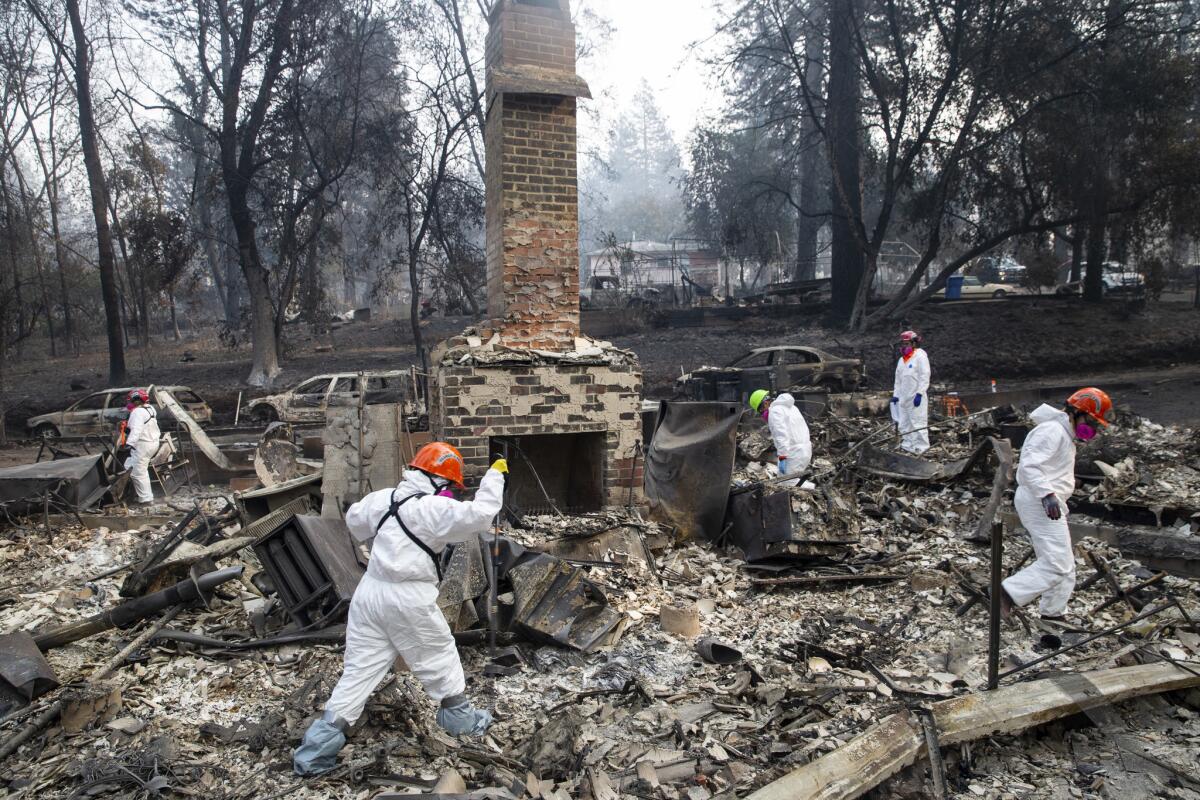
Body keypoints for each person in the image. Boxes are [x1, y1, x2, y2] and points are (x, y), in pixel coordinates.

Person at [293, 442, 507, 776]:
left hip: (370, 594)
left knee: (360, 670)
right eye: (450, 486)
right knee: (439, 656)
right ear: (440, 481)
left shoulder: (383, 498)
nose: (451, 493)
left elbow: (354, 522)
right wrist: (495, 477)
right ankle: (462, 723)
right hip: (408, 597)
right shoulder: (432, 509)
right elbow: (481, 516)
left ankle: (315, 751)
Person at [1001, 388, 1113, 621]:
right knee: (1056, 564)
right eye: (1091, 421)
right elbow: (1029, 466)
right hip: (1040, 501)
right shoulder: (1051, 431)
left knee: (1065, 565)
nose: (1092, 429)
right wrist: (1047, 494)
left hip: (1047, 501)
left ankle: (1053, 614)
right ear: (1076, 412)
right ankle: (1004, 595)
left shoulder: (1064, 433)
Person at [749, 390, 812, 488]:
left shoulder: (774, 412)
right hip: (804, 449)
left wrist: (782, 457)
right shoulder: (791, 407)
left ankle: (816, 492)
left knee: (788, 483)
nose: (762, 414)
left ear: (765, 403)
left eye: (761, 410)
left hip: (794, 452)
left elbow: (781, 437)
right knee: (783, 481)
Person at [891, 331, 931, 455]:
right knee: (904, 423)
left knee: (918, 422)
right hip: (903, 397)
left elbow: (925, 375)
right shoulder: (901, 361)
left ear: (914, 343)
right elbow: (898, 380)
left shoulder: (920, 356)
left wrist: (920, 393)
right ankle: (908, 445)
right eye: (903, 343)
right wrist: (895, 396)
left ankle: (921, 447)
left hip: (915, 396)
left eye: (907, 343)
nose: (904, 346)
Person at [123, 390, 160, 505]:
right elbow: (144, 425)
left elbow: (137, 430)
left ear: (137, 400)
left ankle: (146, 500)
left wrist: (129, 443)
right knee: (129, 465)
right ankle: (139, 495)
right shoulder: (150, 409)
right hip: (153, 442)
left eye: (131, 401)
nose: (130, 404)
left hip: (143, 445)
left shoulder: (137, 412)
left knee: (138, 473)